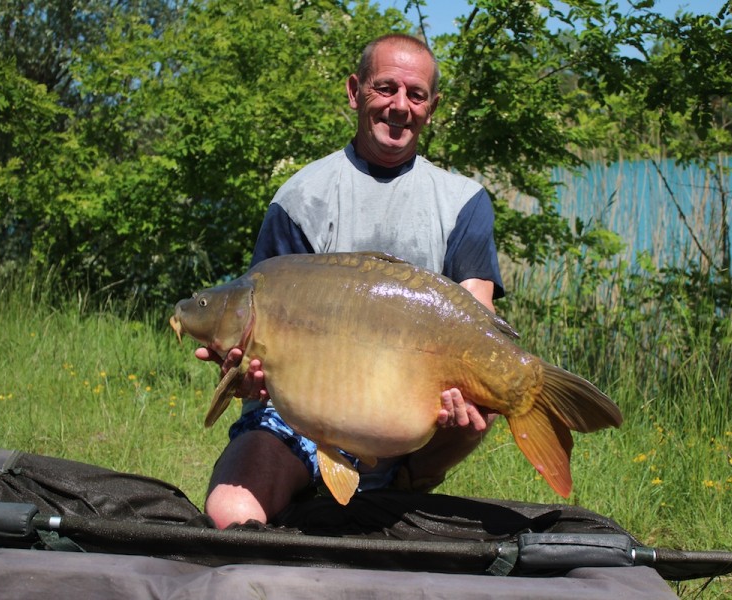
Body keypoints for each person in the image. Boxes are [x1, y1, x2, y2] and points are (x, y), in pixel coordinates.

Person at [196, 33, 505, 529]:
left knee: (488, 390)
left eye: (416, 94)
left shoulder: (463, 201)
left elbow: (478, 317)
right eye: (385, 88)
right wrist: (247, 378)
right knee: (231, 515)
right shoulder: (302, 196)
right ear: (354, 90)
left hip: (408, 423)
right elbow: (256, 336)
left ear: (432, 106)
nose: (400, 106)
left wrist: (472, 393)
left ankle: (400, 486)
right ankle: (309, 484)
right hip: (297, 415)